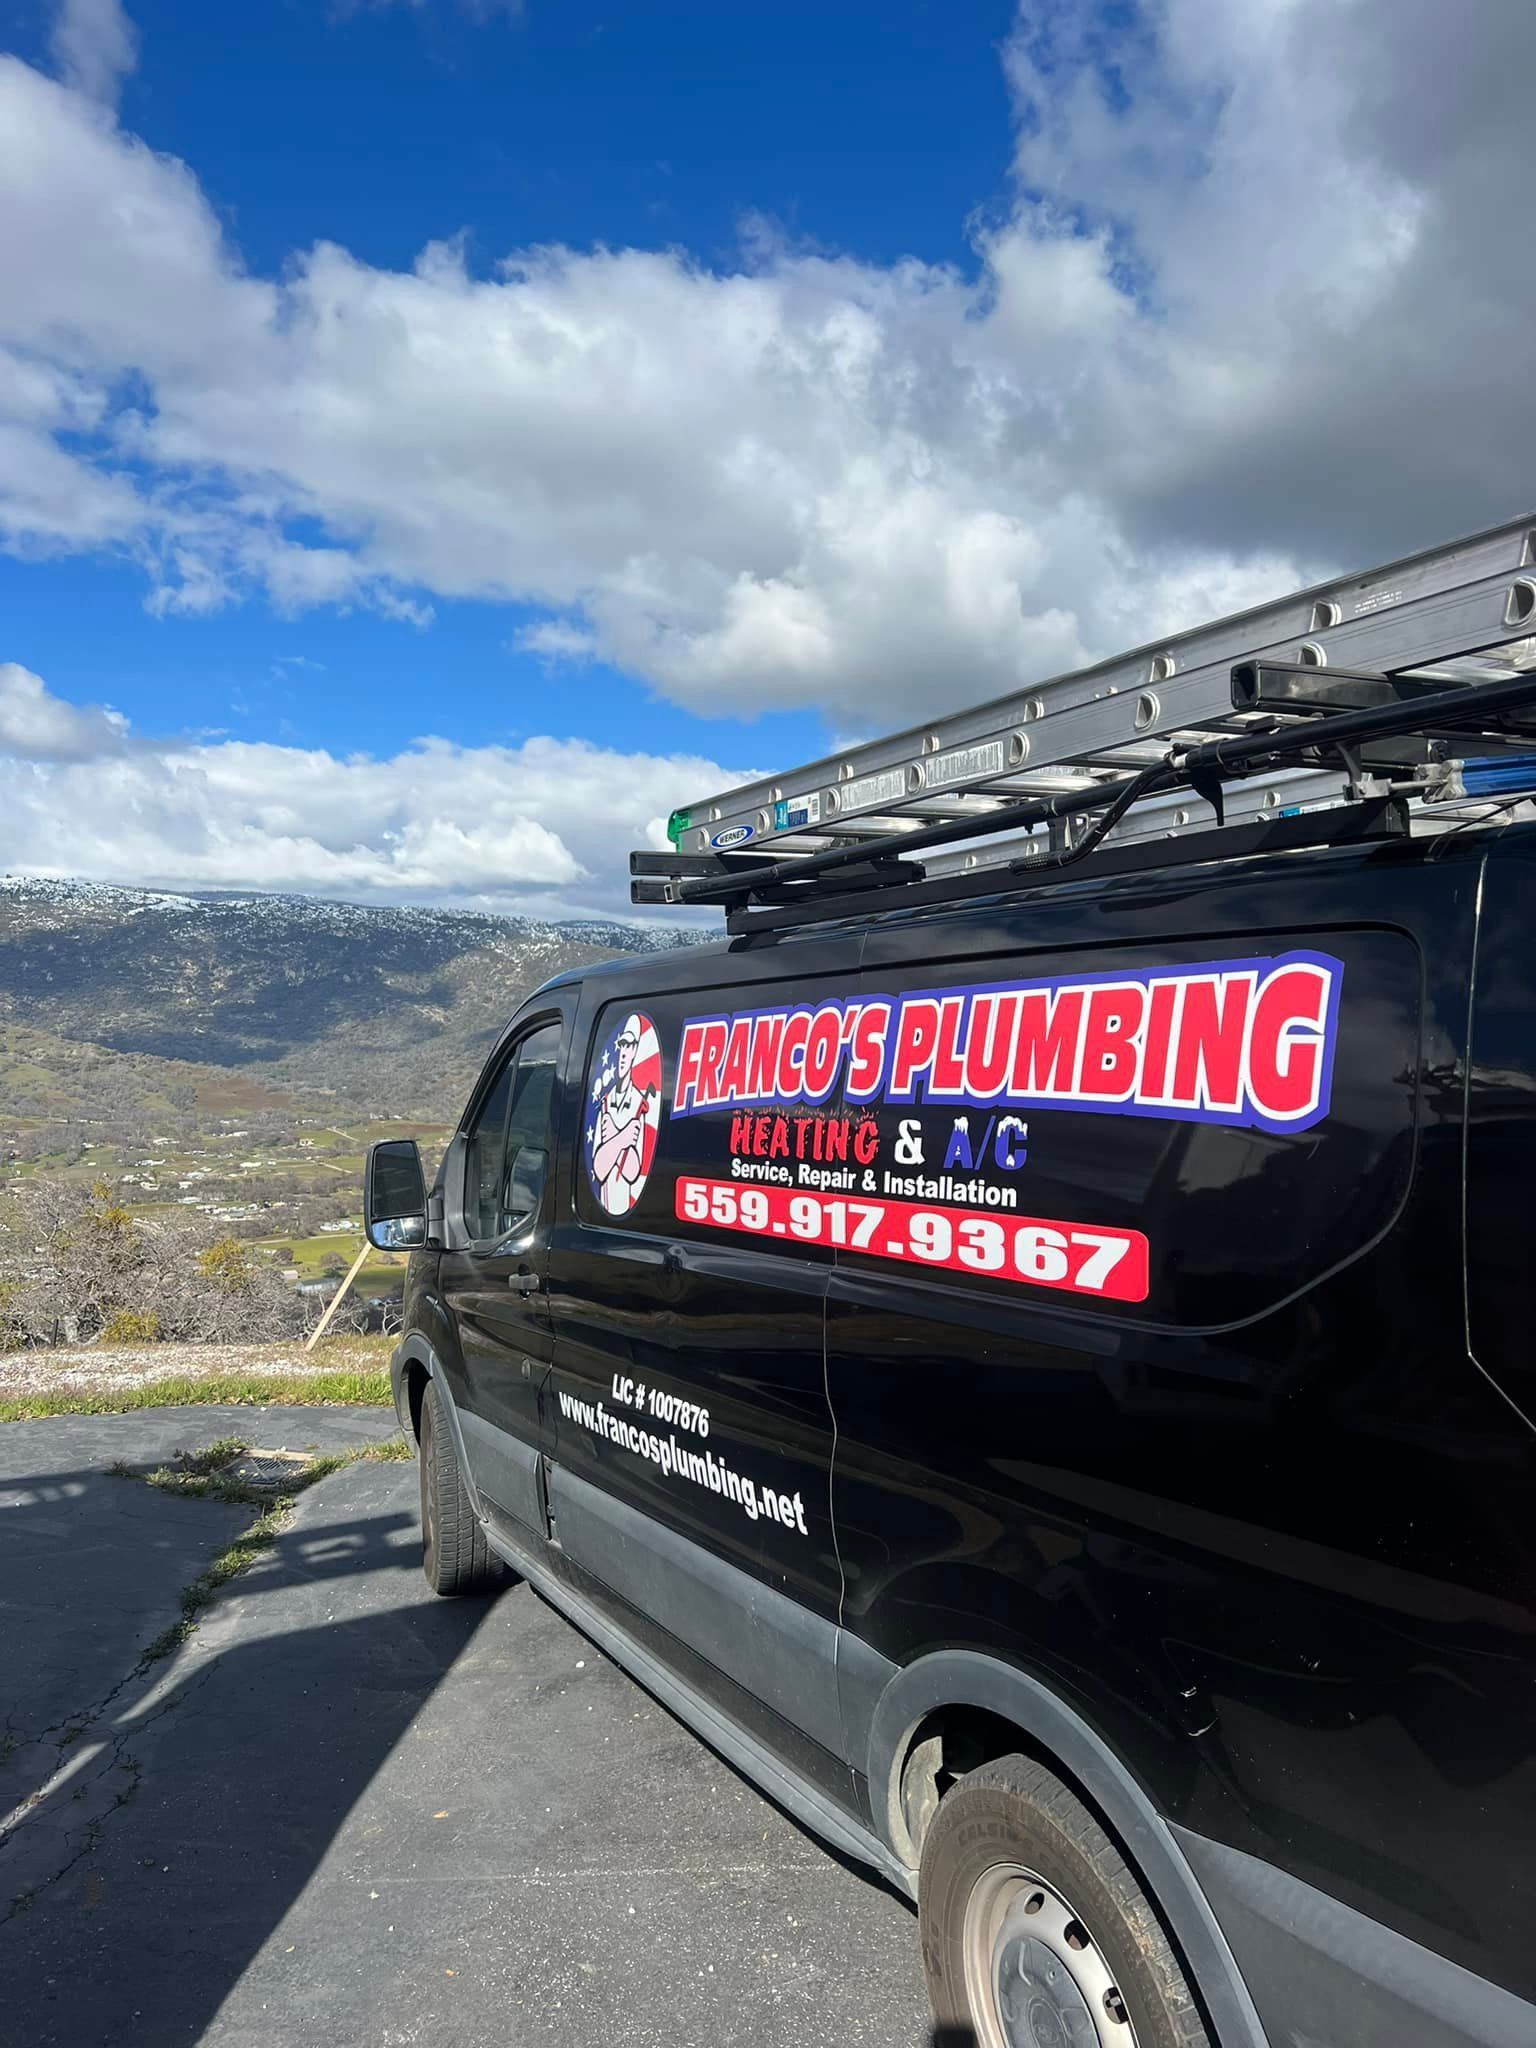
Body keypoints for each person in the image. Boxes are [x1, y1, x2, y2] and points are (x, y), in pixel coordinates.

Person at [590, 1014, 657, 1214]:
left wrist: (612, 1138)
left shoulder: (639, 1103)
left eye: (629, 1046)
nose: (623, 1053)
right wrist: (622, 1138)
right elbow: (599, 1169)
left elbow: (632, 1172)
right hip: (601, 1212)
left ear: (636, 1050)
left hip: (621, 1210)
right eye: (622, 1045)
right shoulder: (605, 1101)